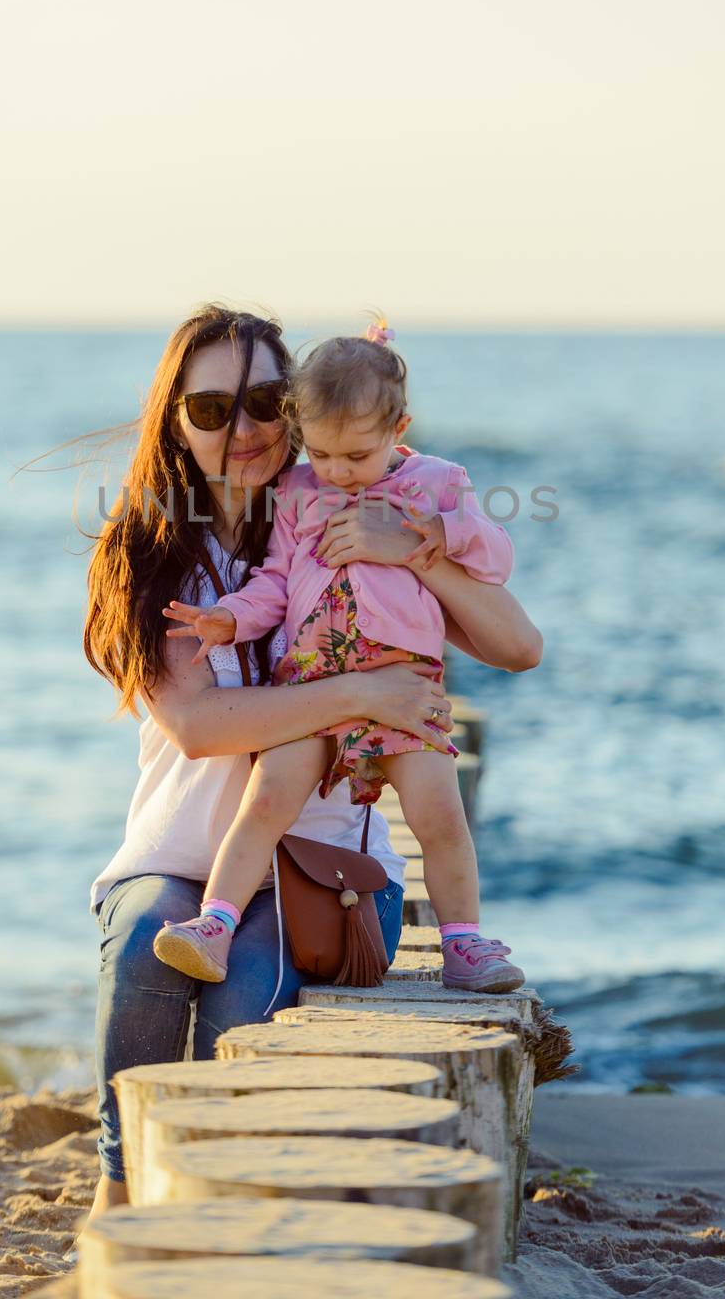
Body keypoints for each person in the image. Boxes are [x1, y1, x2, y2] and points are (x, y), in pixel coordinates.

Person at [81, 304, 543, 1219]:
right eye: (212, 410)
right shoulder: (157, 553)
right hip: (180, 862)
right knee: (144, 952)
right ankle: (121, 1191)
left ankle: (230, 1202)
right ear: (174, 419)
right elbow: (204, 728)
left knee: (245, 991)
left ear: (293, 409)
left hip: (323, 870)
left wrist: (412, 554)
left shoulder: (357, 512)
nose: (243, 429)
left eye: (262, 403)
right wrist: (365, 696)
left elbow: (518, 644)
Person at [157, 320, 527, 995]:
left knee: (439, 814)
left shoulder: (438, 485)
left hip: (404, 687)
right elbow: (273, 581)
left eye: (355, 457)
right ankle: (214, 923)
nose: (337, 473)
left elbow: (496, 556)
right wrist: (229, 618)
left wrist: (438, 537)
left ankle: (464, 943)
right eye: (321, 454)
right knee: (267, 800)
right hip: (313, 682)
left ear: (398, 428)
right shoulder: (298, 492)